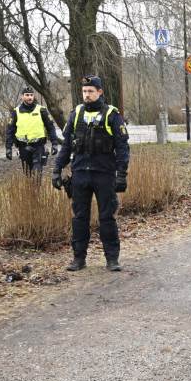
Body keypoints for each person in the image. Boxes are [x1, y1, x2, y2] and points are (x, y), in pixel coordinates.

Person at [51, 76, 130, 272]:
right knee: (79, 218)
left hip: (104, 174)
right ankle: (79, 258)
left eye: (91, 91)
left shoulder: (112, 115)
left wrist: (122, 174)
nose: (87, 95)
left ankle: (112, 259)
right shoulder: (76, 114)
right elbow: (67, 145)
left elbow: (122, 147)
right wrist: (57, 169)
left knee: (107, 218)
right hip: (80, 174)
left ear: (100, 92)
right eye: (85, 91)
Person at [5, 86, 61, 176]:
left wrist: (54, 143)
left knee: (37, 172)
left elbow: (50, 127)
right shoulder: (16, 112)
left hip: (38, 146)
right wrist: (8, 148)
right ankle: (31, 190)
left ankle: (37, 189)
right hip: (23, 147)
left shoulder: (41, 110)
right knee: (28, 174)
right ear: (22, 97)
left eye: (31, 95)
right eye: (27, 95)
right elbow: (10, 130)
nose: (30, 97)